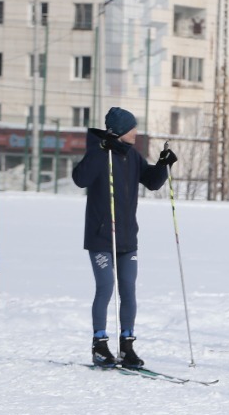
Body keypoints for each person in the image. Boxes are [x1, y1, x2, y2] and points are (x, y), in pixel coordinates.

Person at [72, 107, 172, 368]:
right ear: (119, 131)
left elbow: (152, 182)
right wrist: (98, 150)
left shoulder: (131, 156)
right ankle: (99, 345)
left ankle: (127, 346)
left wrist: (163, 164)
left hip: (127, 238)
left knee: (128, 290)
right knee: (106, 287)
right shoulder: (99, 153)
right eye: (131, 128)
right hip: (101, 237)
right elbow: (80, 179)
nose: (135, 132)